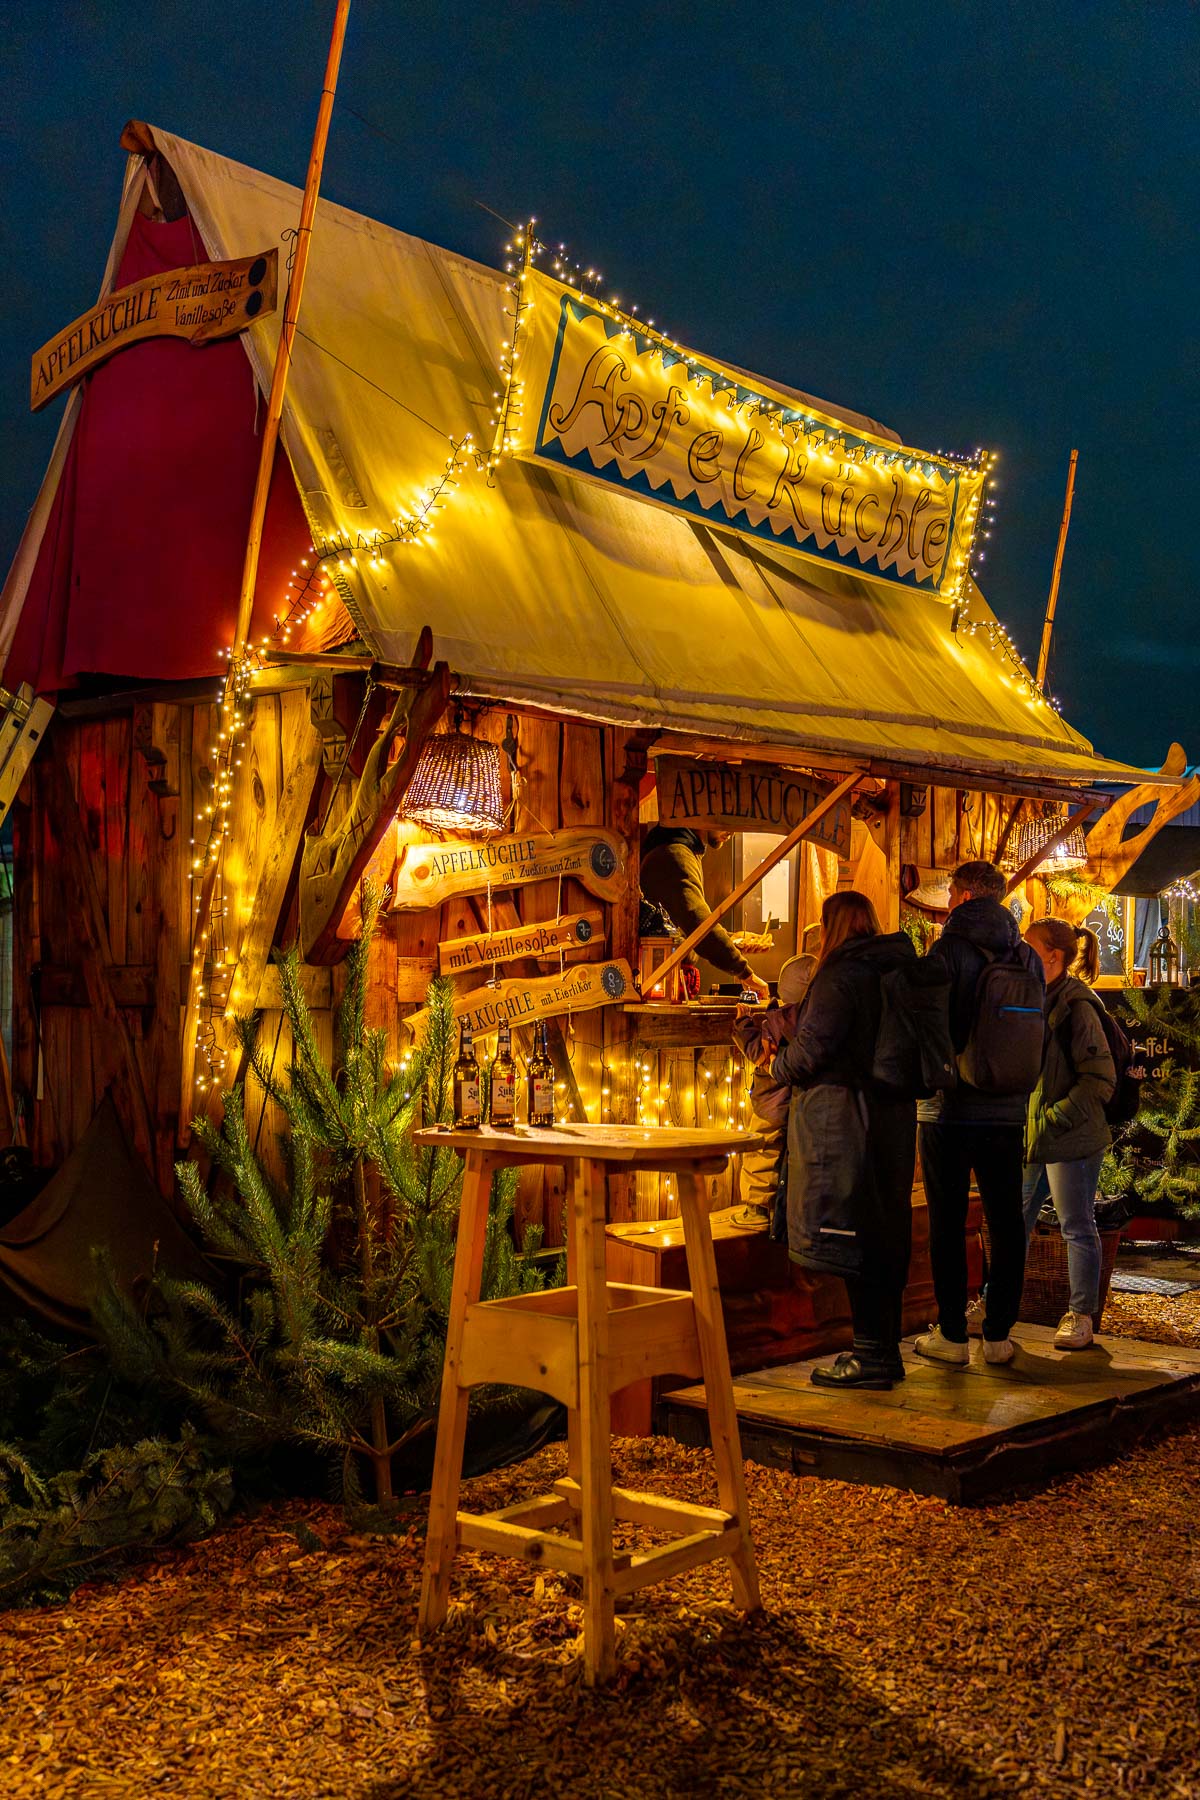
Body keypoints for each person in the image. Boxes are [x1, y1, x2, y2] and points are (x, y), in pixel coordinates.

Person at [771, 893, 918, 1390]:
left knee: (850, 1233)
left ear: (830, 926)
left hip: (844, 1120)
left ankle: (870, 1355)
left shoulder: (842, 974)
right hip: (891, 1117)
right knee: (880, 1231)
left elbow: (814, 1049)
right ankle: (883, 1350)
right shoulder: (892, 968)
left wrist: (776, 1065)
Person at [915, 860, 1043, 1369]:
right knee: (1006, 1219)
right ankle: (997, 1335)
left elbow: (929, 1023)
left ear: (965, 896)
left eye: (950, 893)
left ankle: (951, 1336)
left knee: (947, 1222)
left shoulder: (948, 949)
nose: (947, 902)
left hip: (949, 1106)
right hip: (1008, 1109)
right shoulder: (1027, 955)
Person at [1022, 917, 1116, 1350]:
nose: (1020, 954)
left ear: (1052, 955)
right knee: (1013, 1220)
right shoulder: (1032, 997)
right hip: (1036, 1135)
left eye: (1029, 947)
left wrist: (1054, 1117)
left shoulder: (1077, 1005)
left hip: (1071, 1137)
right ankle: (994, 1301)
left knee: (1076, 1225)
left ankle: (1081, 1316)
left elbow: (1099, 1080)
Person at [732, 954, 817, 1229]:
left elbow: (759, 1055)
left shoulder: (778, 1021)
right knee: (785, 1155)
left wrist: (744, 1025)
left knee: (761, 1151)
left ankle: (758, 1210)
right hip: (795, 1103)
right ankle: (781, 1209)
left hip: (769, 1101)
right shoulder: (811, 1022)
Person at [640, 825, 770, 1001]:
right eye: (725, 819)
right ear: (701, 816)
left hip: (667, 979)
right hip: (661, 982)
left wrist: (731, 940)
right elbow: (698, 924)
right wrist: (745, 973)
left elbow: (687, 924)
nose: (732, 830)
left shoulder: (681, 850)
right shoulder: (675, 854)